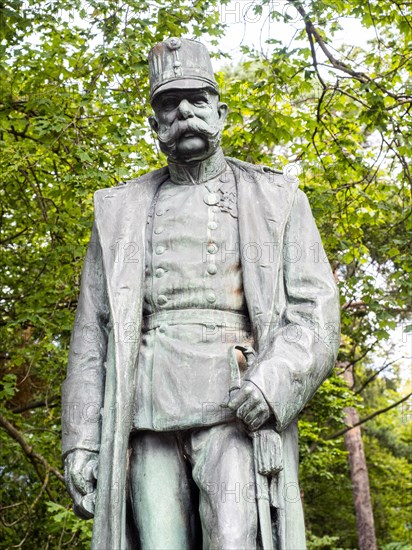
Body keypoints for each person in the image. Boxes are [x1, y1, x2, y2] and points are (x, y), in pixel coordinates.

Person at [62, 37, 340, 550]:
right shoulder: (117, 212)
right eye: (169, 103)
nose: (185, 111)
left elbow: (315, 315)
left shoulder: (277, 199)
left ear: (221, 110)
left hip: (236, 404)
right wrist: (80, 442)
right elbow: (91, 337)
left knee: (233, 540)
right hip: (144, 409)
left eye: (197, 99)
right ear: (154, 123)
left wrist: (272, 386)